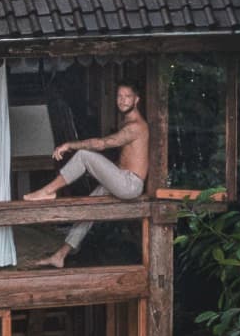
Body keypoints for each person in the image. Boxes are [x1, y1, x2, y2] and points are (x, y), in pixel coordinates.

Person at [26, 81, 150, 267]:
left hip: (129, 184)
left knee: (84, 155)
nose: (122, 101)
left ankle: (48, 190)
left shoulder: (135, 126)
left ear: (136, 100)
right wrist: (102, 172)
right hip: (124, 180)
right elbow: (127, 159)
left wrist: (69, 145)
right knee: (90, 206)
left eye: (127, 97)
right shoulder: (127, 121)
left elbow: (101, 144)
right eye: (119, 96)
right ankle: (60, 255)